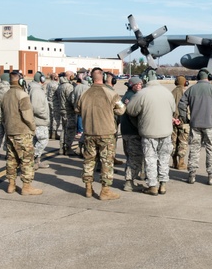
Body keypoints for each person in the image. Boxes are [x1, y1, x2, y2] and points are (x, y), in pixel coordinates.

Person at [126, 74, 179, 196]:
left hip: (149, 132)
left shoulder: (142, 94)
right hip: (166, 132)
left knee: (150, 159)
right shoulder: (167, 93)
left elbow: (131, 111)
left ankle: (152, 185)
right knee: (164, 159)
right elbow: (173, 109)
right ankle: (163, 185)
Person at [76, 67, 125, 200]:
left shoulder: (84, 94)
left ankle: (88, 188)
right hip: (106, 133)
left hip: (89, 132)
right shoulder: (110, 93)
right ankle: (105, 191)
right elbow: (121, 110)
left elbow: (77, 109)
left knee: (89, 161)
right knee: (106, 162)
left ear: (91, 78)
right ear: (102, 78)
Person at [179, 70, 212, 185]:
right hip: (210, 125)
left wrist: (185, 118)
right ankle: (211, 177)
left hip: (195, 124)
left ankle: (192, 175)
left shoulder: (191, 89)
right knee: (211, 149)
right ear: (209, 77)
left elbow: (181, 105)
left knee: (194, 149)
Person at [1, 70, 43, 196]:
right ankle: (26, 186)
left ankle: (11, 184)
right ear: (20, 80)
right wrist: (33, 128)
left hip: (10, 131)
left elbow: (2, 115)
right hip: (22, 131)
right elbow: (27, 116)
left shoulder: (6, 95)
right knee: (27, 159)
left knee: (11, 159)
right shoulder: (22, 95)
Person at [119, 76, 145, 192]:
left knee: (130, 156)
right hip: (132, 132)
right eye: (137, 84)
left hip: (126, 131)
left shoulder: (126, 95)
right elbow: (133, 116)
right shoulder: (132, 97)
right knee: (134, 158)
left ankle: (131, 179)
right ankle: (129, 183)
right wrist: (141, 128)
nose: (139, 86)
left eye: (141, 84)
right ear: (131, 85)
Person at [29, 73, 51, 168]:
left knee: (36, 141)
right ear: (41, 79)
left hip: (37, 120)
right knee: (43, 140)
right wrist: (45, 116)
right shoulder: (37, 91)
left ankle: (36, 161)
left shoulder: (36, 89)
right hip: (40, 120)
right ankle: (33, 158)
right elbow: (37, 108)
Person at [56, 71, 77, 156]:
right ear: (70, 76)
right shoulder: (68, 87)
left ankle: (61, 148)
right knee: (71, 130)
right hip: (69, 111)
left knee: (64, 130)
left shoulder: (60, 86)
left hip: (62, 109)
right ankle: (68, 148)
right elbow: (71, 99)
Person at [171, 75, 189, 168]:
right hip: (183, 121)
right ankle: (181, 162)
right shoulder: (186, 92)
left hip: (173, 120)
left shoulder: (172, 92)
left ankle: (174, 162)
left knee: (173, 141)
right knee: (183, 141)